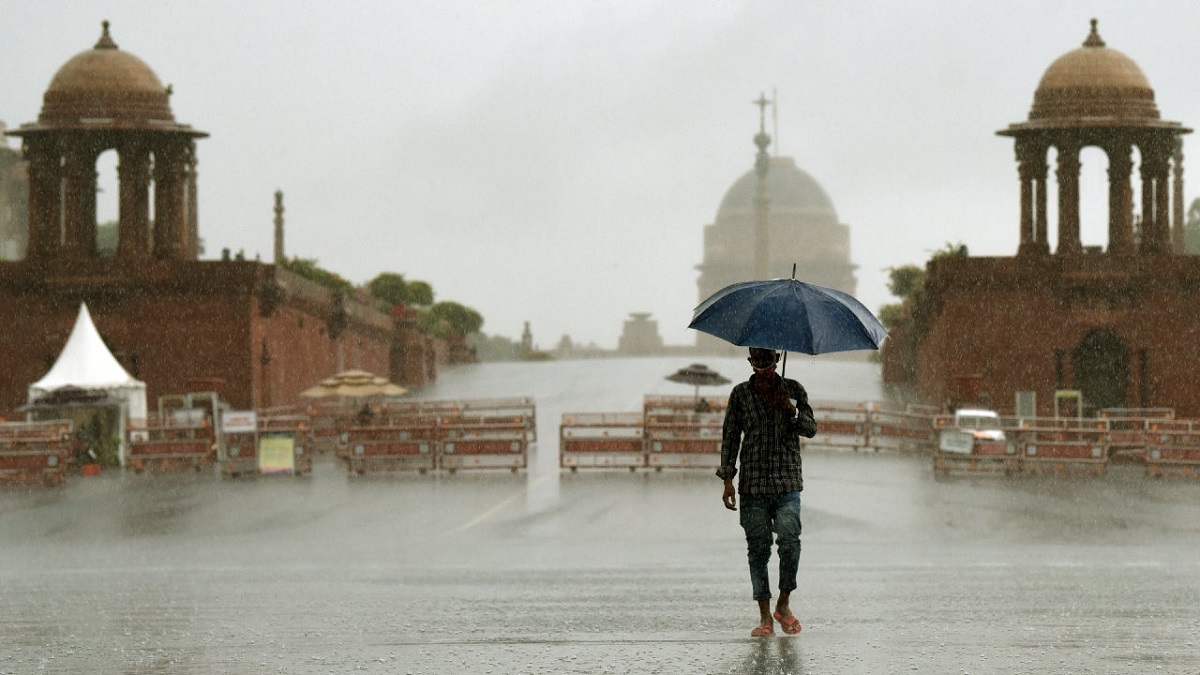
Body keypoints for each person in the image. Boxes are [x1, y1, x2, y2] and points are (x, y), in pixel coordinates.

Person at [717, 347, 817, 637]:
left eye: (767, 361)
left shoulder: (794, 390)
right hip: (753, 484)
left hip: (787, 482)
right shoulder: (740, 395)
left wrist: (792, 410)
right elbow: (730, 437)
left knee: (789, 541)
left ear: (777, 359)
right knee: (758, 550)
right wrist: (727, 479)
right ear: (750, 361)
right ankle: (764, 616)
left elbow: (811, 429)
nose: (762, 368)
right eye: (756, 362)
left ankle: (783, 604)